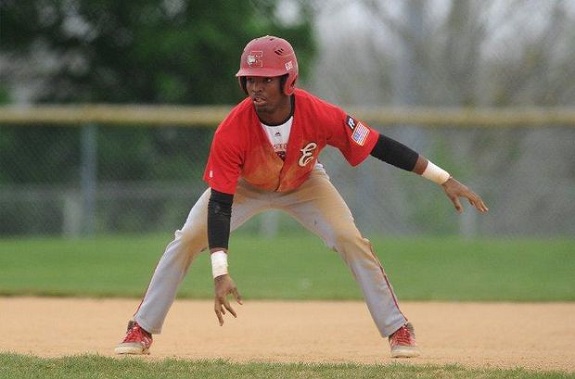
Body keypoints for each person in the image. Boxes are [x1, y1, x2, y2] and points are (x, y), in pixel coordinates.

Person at [114, 35, 488, 359]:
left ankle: (398, 329)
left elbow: (377, 145)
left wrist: (442, 177)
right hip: (245, 186)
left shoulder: (320, 114)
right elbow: (220, 203)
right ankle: (141, 328)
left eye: (265, 79)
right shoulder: (232, 130)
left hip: (306, 184)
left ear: (287, 79)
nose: (256, 87)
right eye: (249, 79)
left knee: (350, 239)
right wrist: (220, 271)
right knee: (187, 239)